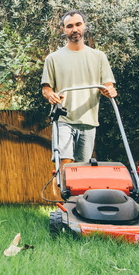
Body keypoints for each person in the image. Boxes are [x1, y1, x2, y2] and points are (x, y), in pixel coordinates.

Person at [41, 10, 117, 165]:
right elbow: (46, 88)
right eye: (70, 26)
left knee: (83, 170)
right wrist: (50, 95)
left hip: (89, 121)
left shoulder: (99, 57)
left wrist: (109, 90)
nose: (74, 29)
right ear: (63, 30)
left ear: (84, 26)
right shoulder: (53, 59)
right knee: (65, 164)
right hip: (63, 119)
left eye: (78, 24)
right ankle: (60, 188)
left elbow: (108, 84)